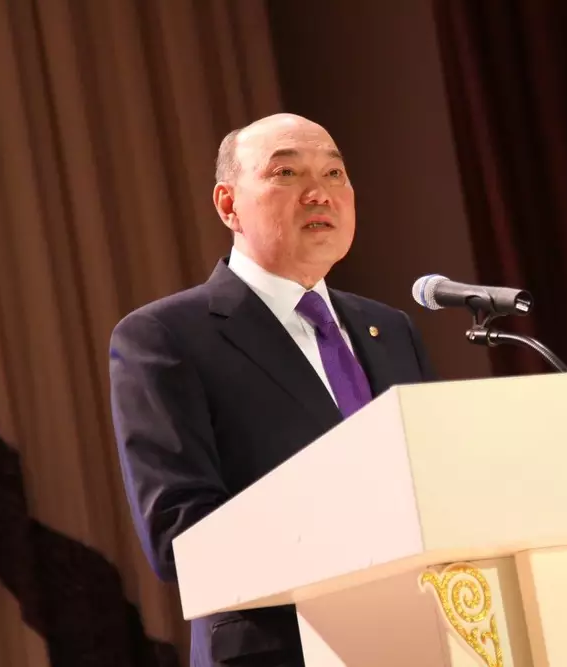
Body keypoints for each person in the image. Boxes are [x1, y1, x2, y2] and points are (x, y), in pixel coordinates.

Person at [108, 113, 437, 667]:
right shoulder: (165, 337)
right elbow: (178, 536)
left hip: (421, 637)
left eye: (334, 173)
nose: (319, 193)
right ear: (228, 205)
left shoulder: (390, 329)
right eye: (286, 173)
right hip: (279, 649)